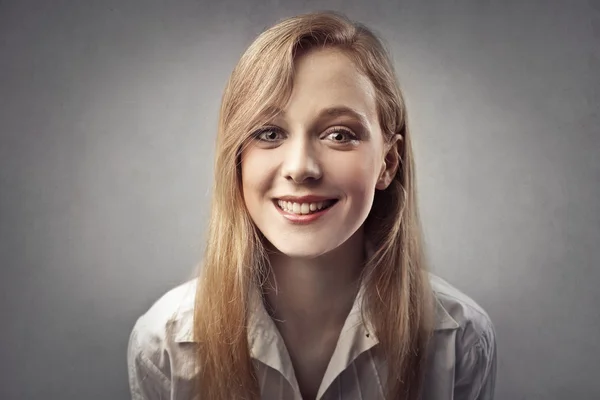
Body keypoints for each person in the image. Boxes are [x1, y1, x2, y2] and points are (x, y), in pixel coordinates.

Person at [127, 11, 497, 400]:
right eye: (269, 133)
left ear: (388, 162)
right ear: (236, 159)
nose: (301, 167)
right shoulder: (163, 345)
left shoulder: (461, 340)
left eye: (339, 134)